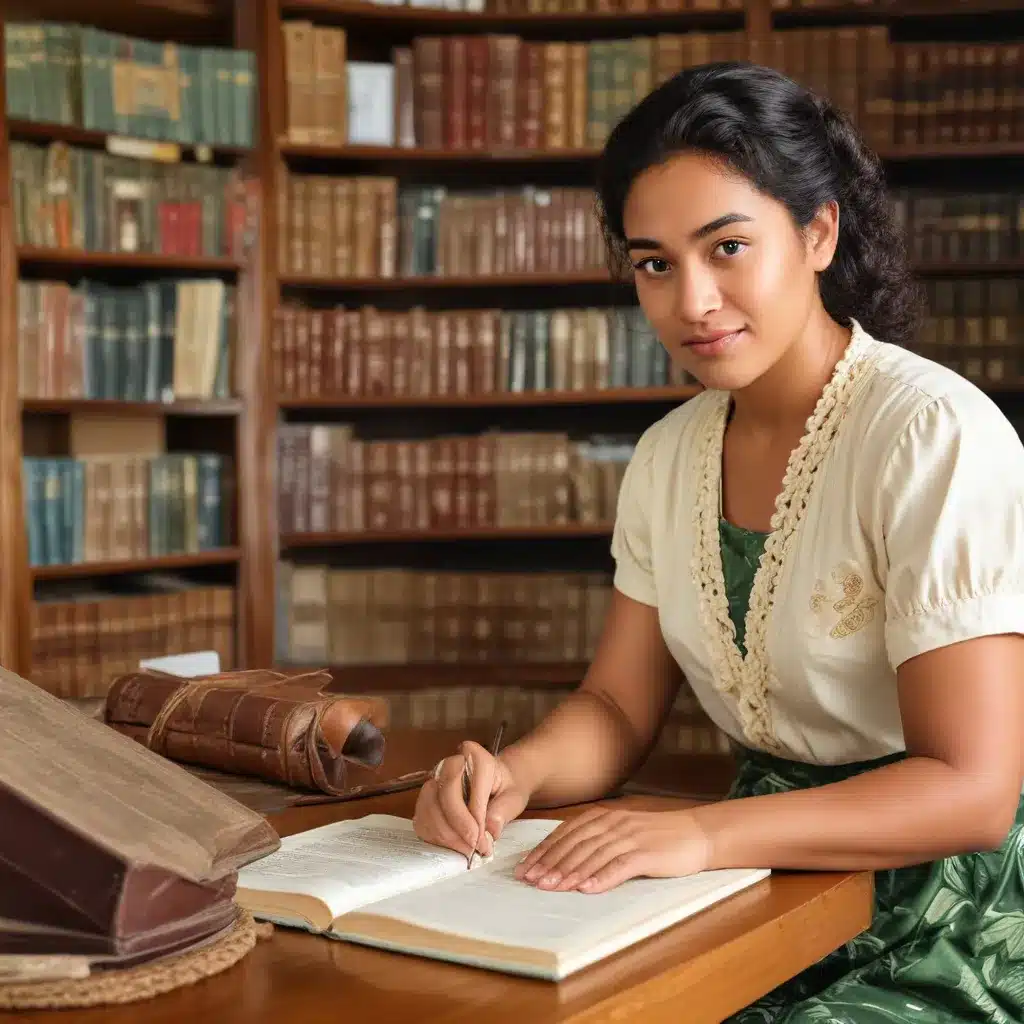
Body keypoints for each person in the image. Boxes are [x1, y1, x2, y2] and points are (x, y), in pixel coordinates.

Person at [413, 61, 1024, 1023]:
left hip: (946, 915)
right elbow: (615, 707)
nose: (690, 301)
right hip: (749, 884)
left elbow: (975, 791)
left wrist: (700, 836)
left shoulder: (930, 435)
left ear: (818, 232)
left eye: (727, 247)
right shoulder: (667, 456)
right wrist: (514, 775)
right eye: (654, 263)